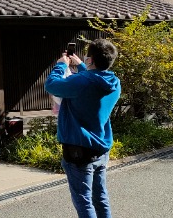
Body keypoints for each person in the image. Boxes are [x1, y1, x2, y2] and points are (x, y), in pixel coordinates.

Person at [45, 39, 121, 218]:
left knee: (83, 201)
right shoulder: (114, 82)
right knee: (100, 197)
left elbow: (51, 85)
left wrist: (60, 65)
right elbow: (93, 79)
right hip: (101, 149)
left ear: (91, 59)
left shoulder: (81, 82)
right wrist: (81, 65)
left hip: (78, 151)